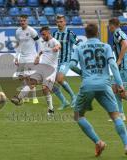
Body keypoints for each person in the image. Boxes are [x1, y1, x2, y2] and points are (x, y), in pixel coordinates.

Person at [70, 23, 127, 156]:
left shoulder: (79, 47)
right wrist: (120, 84)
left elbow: (72, 65)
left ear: (85, 35)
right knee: (115, 115)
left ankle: (98, 142)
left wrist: (82, 73)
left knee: (78, 115)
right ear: (98, 33)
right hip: (105, 84)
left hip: (88, 84)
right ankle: (126, 144)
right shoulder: (106, 46)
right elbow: (113, 65)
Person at [11, 26, 60, 115]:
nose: (43, 36)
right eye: (42, 34)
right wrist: (38, 56)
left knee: (45, 88)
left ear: (49, 33)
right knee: (31, 83)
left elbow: (58, 45)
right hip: (41, 67)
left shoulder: (54, 41)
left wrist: (56, 48)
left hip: (51, 69)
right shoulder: (43, 42)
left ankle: (51, 109)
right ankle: (18, 98)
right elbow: (42, 51)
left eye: (44, 34)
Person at [52, 14, 79, 110]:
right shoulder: (54, 34)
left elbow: (79, 44)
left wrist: (76, 57)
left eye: (61, 21)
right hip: (56, 62)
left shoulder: (70, 33)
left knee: (59, 79)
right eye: (57, 22)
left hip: (66, 61)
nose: (59, 23)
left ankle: (74, 97)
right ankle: (64, 101)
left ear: (65, 22)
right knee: (51, 84)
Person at [14, 15, 42, 104]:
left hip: (31, 57)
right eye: (21, 20)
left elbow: (39, 43)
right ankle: (25, 97)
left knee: (30, 78)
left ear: (27, 21)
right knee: (21, 78)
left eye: (24, 20)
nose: (22, 22)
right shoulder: (18, 31)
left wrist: (38, 56)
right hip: (22, 57)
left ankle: (34, 98)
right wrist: (16, 57)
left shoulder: (32, 31)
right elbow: (18, 44)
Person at [108, 18, 127, 121]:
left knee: (122, 92)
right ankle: (121, 114)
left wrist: (119, 60)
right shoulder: (119, 32)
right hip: (121, 66)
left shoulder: (117, 33)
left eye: (109, 25)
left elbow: (125, 44)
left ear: (112, 25)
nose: (108, 27)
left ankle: (120, 113)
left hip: (123, 66)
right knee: (114, 89)